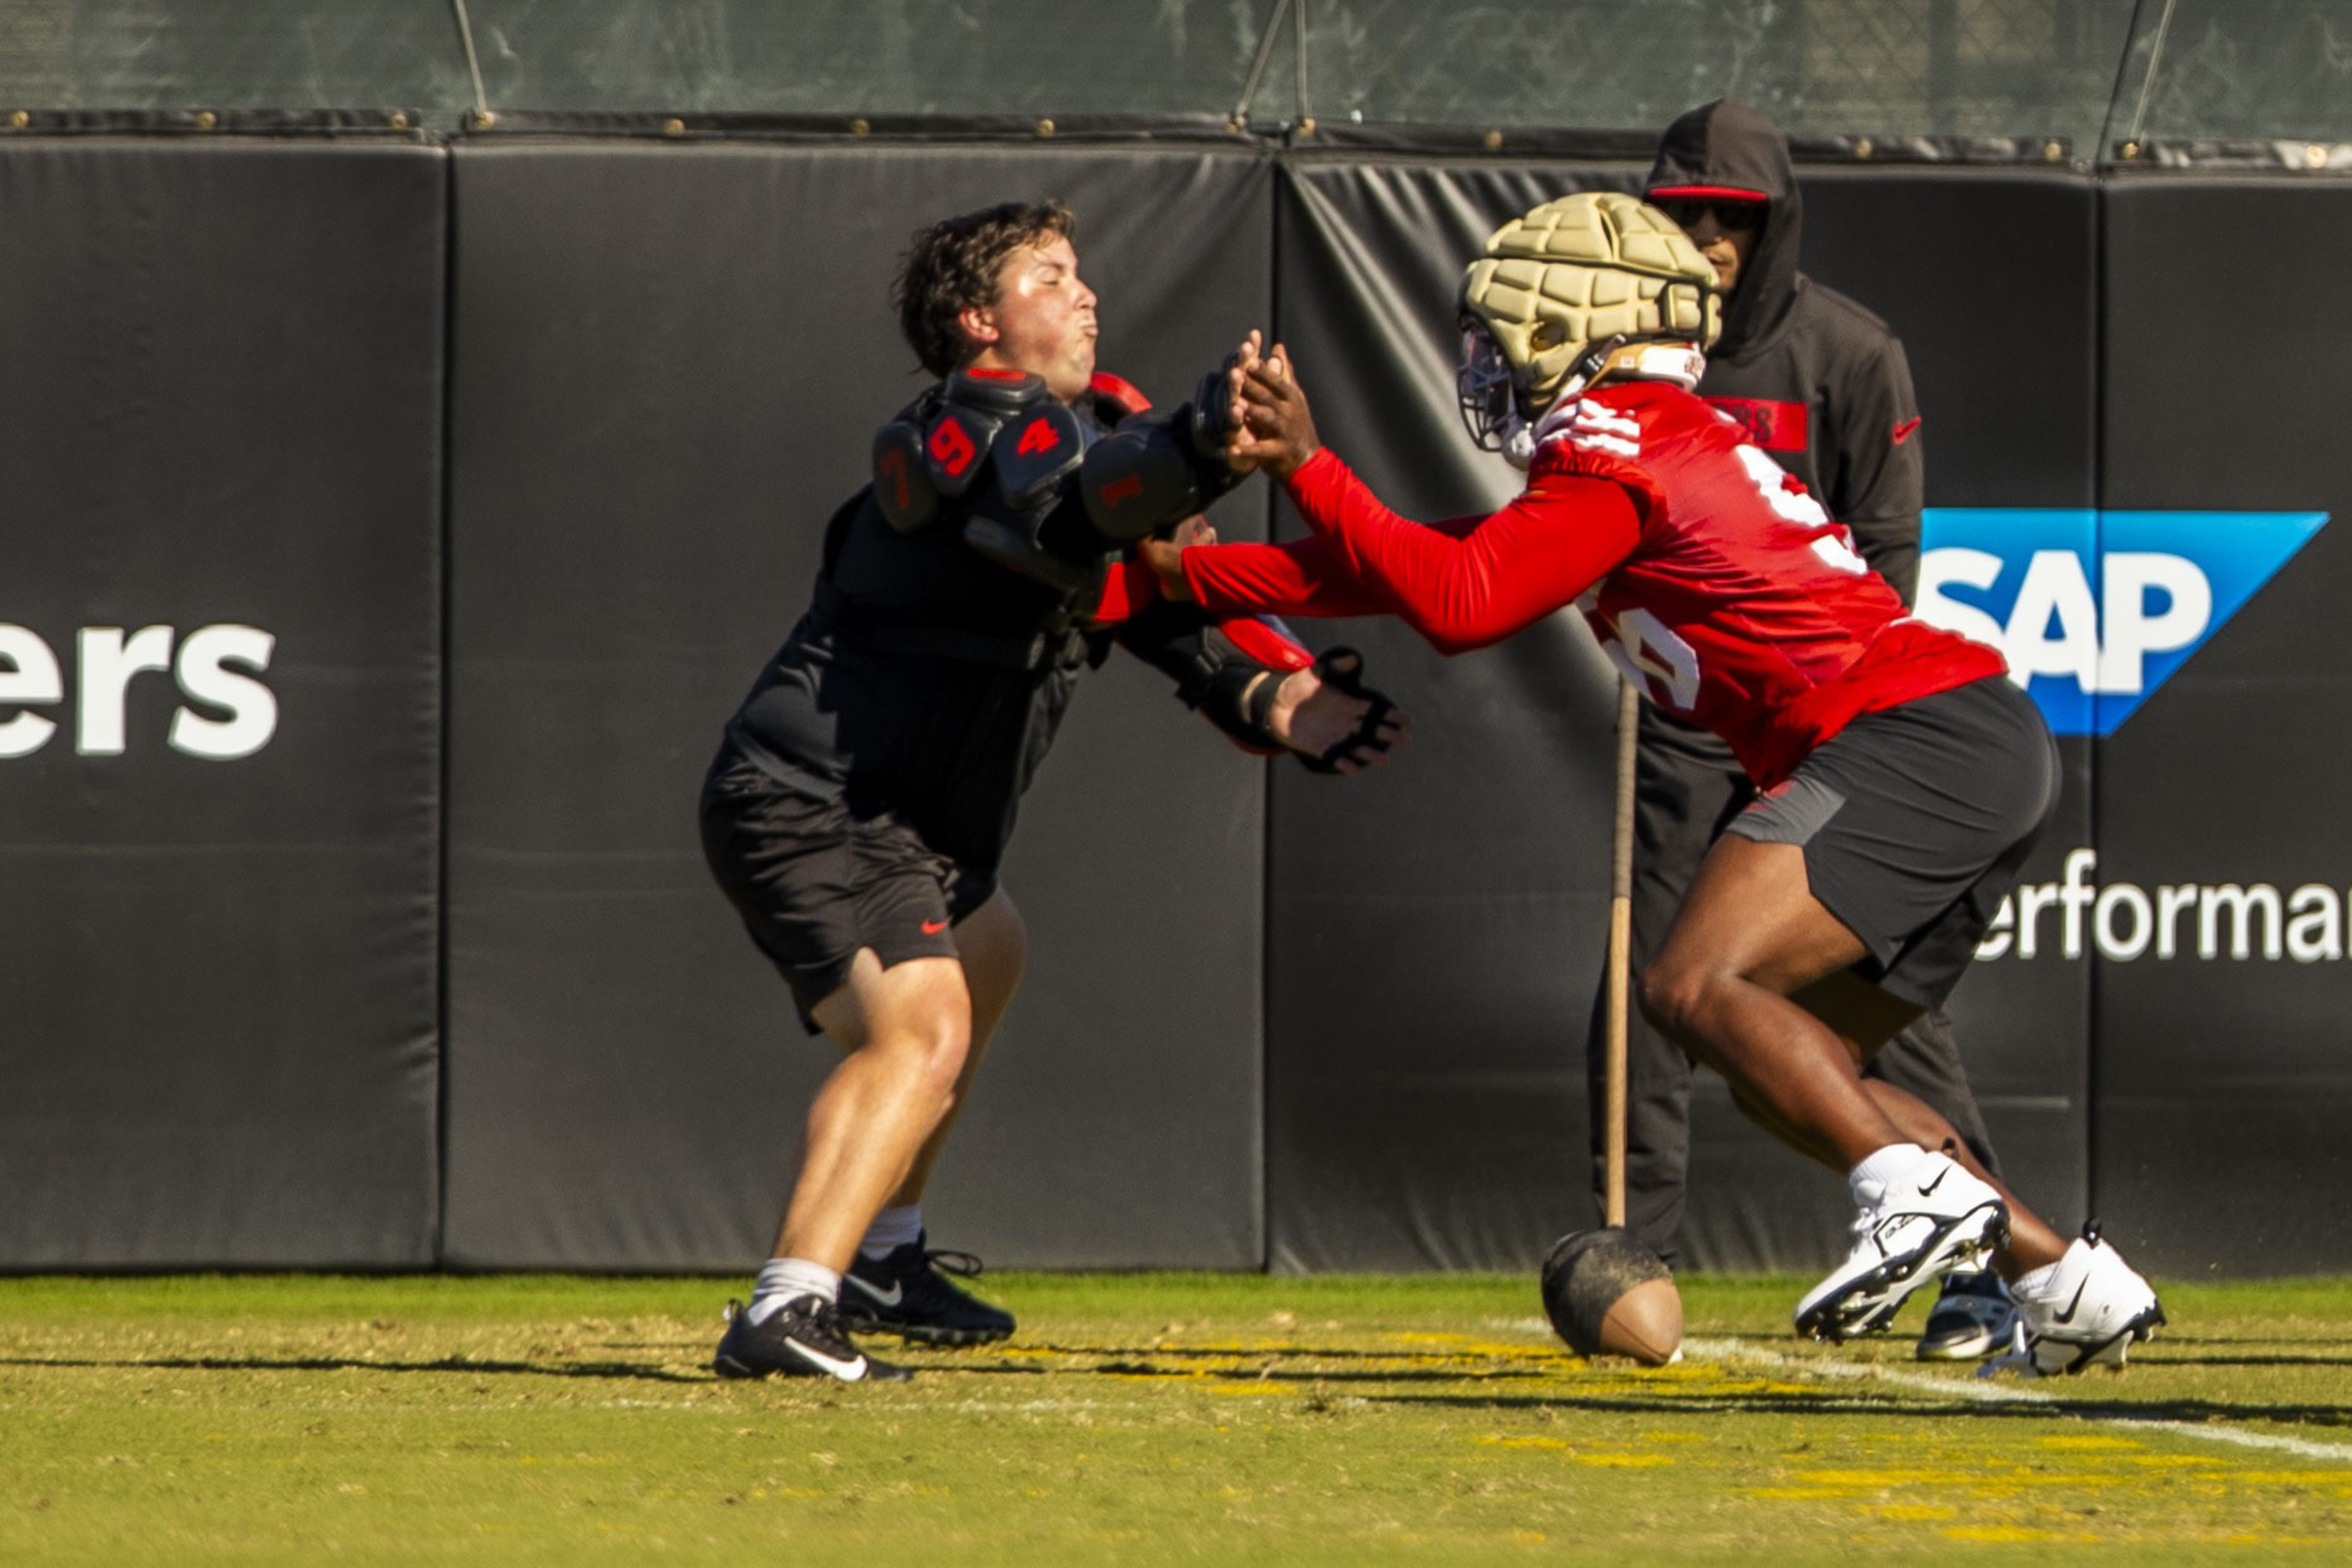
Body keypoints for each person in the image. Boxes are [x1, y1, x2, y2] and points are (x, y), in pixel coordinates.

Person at [1155, 190, 2164, 1376]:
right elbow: (1409, 566)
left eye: (1501, 331)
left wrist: (1314, 464)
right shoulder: (1649, 440)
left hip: (1905, 734)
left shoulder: (1616, 438)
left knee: (1689, 983)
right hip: (1965, 742)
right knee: (1800, 1074)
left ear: (1574, 323)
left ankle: (1916, 1197)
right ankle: (2059, 1275)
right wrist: (1169, 580)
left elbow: (1459, 601)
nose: (1483, 359)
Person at [701, 200, 1405, 1384]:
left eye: (1082, 275)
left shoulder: (1049, 452)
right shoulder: (973, 434)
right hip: (821, 800)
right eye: (1049, 278)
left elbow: (1124, 594)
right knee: (921, 1033)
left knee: (990, 950)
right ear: (981, 321)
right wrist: (1202, 438)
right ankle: (788, 1303)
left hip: (900, 823)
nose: (1084, 295)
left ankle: (881, 1254)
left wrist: (1266, 697)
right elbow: (1087, 512)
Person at [1616, 98, 2017, 1360]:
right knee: (1660, 991)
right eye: (1684, 215)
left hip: (1835, 729)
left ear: (1772, 220)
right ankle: (1635, 1255)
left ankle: (1985, 1270)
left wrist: (1812, 703)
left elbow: (1889, 553)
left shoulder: (1849, 350)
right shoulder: (1630, 360)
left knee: (1878, 1012)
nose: (1710, 239)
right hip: (1686, 727)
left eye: (1732, 216)